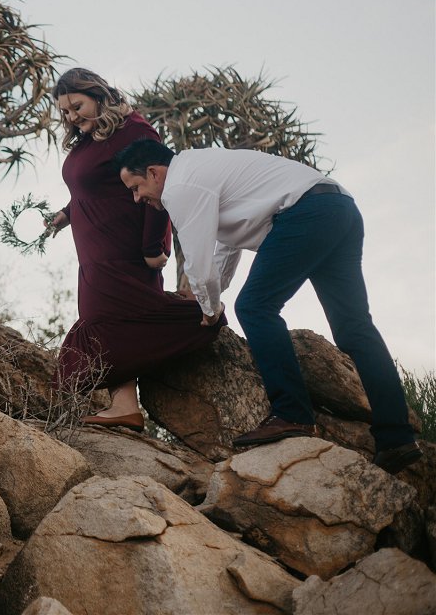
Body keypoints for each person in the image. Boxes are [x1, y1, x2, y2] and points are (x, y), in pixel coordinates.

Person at [114, 138, 421, 473]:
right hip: (338, 206)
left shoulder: (180, 187)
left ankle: (291, 413)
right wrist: (209, 296)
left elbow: (198, 262)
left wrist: (208, 310)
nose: (137, 197)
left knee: (254, 307)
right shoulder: (201, 170)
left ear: (155, 173)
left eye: (136, 187)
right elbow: (226, 247)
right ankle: (397, 438)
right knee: (354, 327)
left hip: (306, 212)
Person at [45, 68, 224, 432]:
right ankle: (124, 406)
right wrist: (67, 212)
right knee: (108, 320)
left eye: (77, 106)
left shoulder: (135, 131)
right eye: (64, 111)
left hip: (126, 246)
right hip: (94, 247)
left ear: (99, 96)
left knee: (117, 316)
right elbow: (89, 186)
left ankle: (203, 313)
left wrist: (150, 246)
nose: (71, 116)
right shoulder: (88, 138)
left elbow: (159, 186)